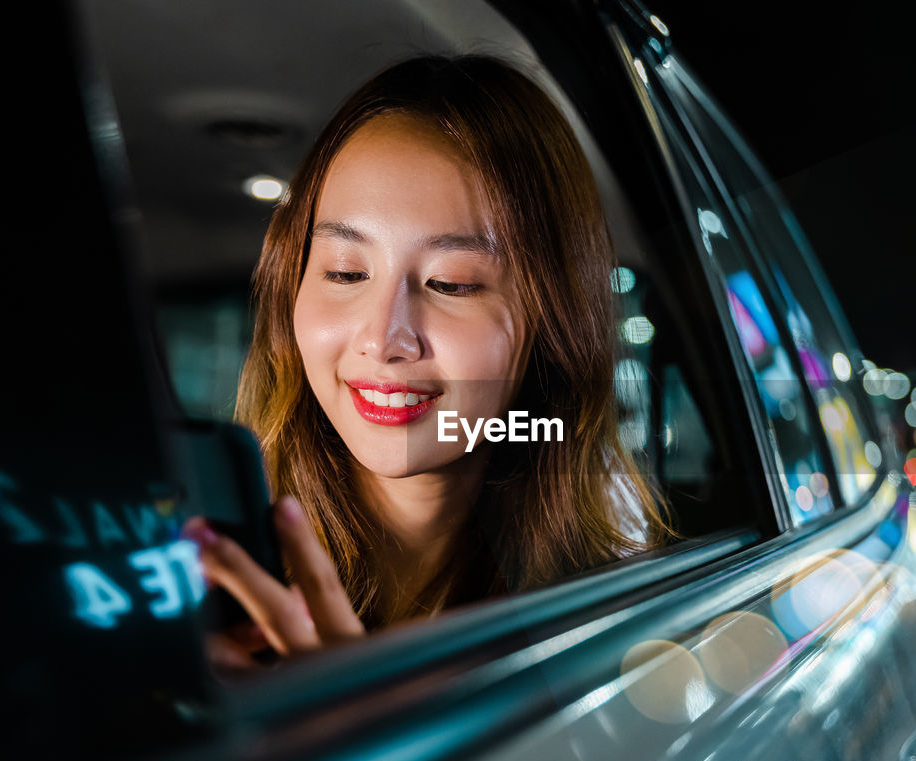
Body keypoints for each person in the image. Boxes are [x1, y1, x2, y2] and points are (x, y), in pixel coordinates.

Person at [183, 55, 672, 667]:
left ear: (553, 322)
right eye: (345, 272)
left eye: (453, 283)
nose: (386, 339)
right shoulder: (194, 577)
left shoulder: (617, 625)